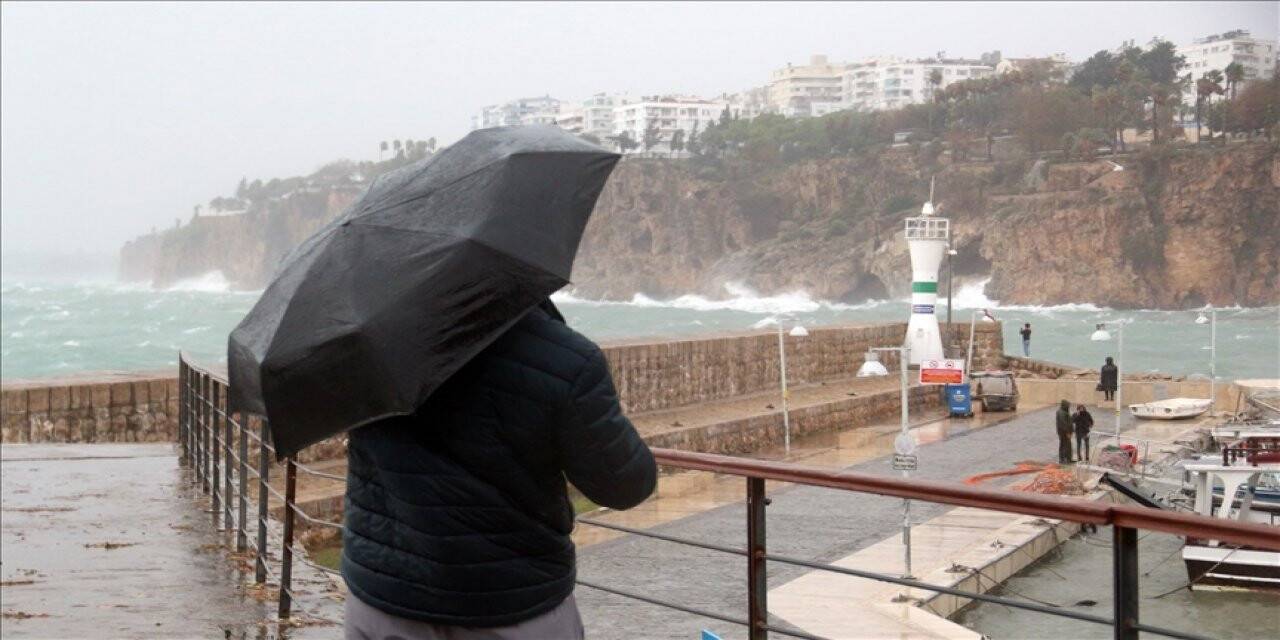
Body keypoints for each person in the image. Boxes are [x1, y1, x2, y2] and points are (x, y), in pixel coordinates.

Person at [342, 300, 657, 640]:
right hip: (511, 603)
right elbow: (625, 486)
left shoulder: (363, 347)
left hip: (383, 598)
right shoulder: (565, 358)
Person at [1055, 399, 1074, 464]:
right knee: (1063, 445)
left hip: (1066, 432)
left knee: (1068, 445)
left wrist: (1071, 430)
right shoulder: (1061, 412)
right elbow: (1063, 424)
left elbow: (1069, 421)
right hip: (1063, 432)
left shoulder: (1065, 411)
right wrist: (1068, 432)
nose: (1069, 407)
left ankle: (1069, 459)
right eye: (1068, 405)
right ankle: (1062, 459)